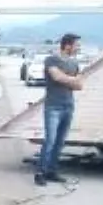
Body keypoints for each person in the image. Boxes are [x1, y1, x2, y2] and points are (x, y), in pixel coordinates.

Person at [35, 33, 84, 186]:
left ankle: (52, 171)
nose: (78, 48)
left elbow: (80, 85)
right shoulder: (51, 59)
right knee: (50, 140)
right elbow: (56, 77)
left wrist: (68, 79)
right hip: (53, 106)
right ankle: (40, 173)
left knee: (60, 141)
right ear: (67, 45)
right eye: (76, 45)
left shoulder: (74, 63)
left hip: (68, 106)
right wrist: (72, 80)